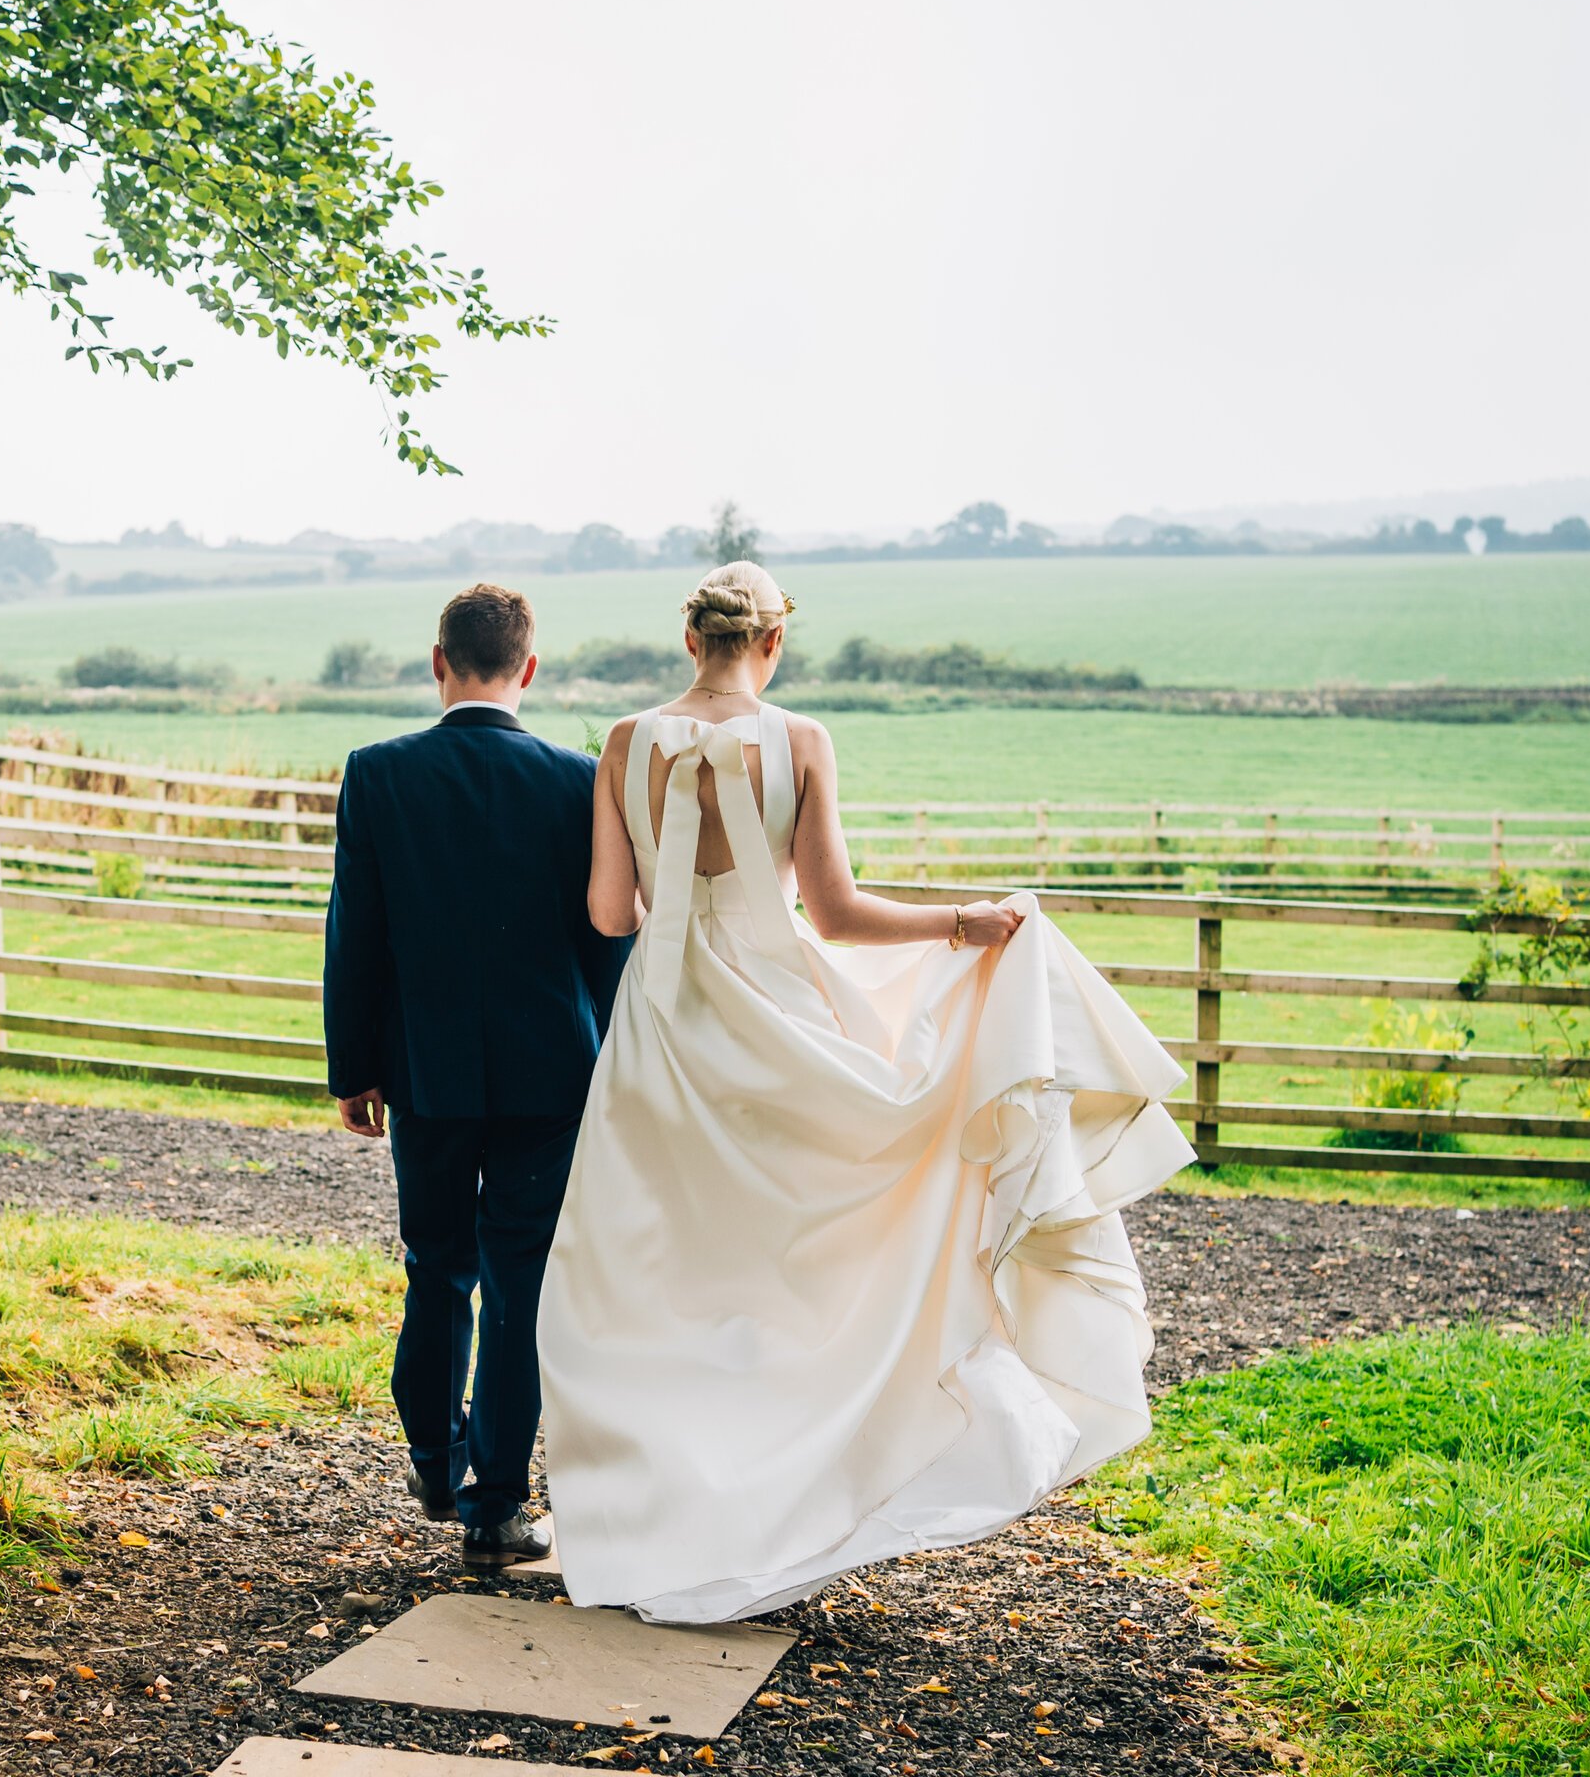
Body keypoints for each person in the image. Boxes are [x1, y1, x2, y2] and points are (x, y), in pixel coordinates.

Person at [536, 562, 1192, 1623]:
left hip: (662, 1034)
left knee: (649, 1278)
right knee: (795, 1270)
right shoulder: (799, 741)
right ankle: (785, 1499)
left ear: (688, 640)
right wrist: (958, 925)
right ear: (774, 642)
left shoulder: (622, 742)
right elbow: (834, 916)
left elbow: (611, 915)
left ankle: (649, 1524)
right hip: (776, 1020)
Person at [324, 582, 632, 1568]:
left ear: (437, 661)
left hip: (426, 1073)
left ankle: (432, 1459)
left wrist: (354, 1068)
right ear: (528, 669)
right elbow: (605, 939)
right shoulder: (577, 778)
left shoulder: (377, 775)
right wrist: (605, 1049)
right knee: (518, 1287)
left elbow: (355, 937)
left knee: (435, 1267)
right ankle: (497, 1511)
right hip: (552, 1073)